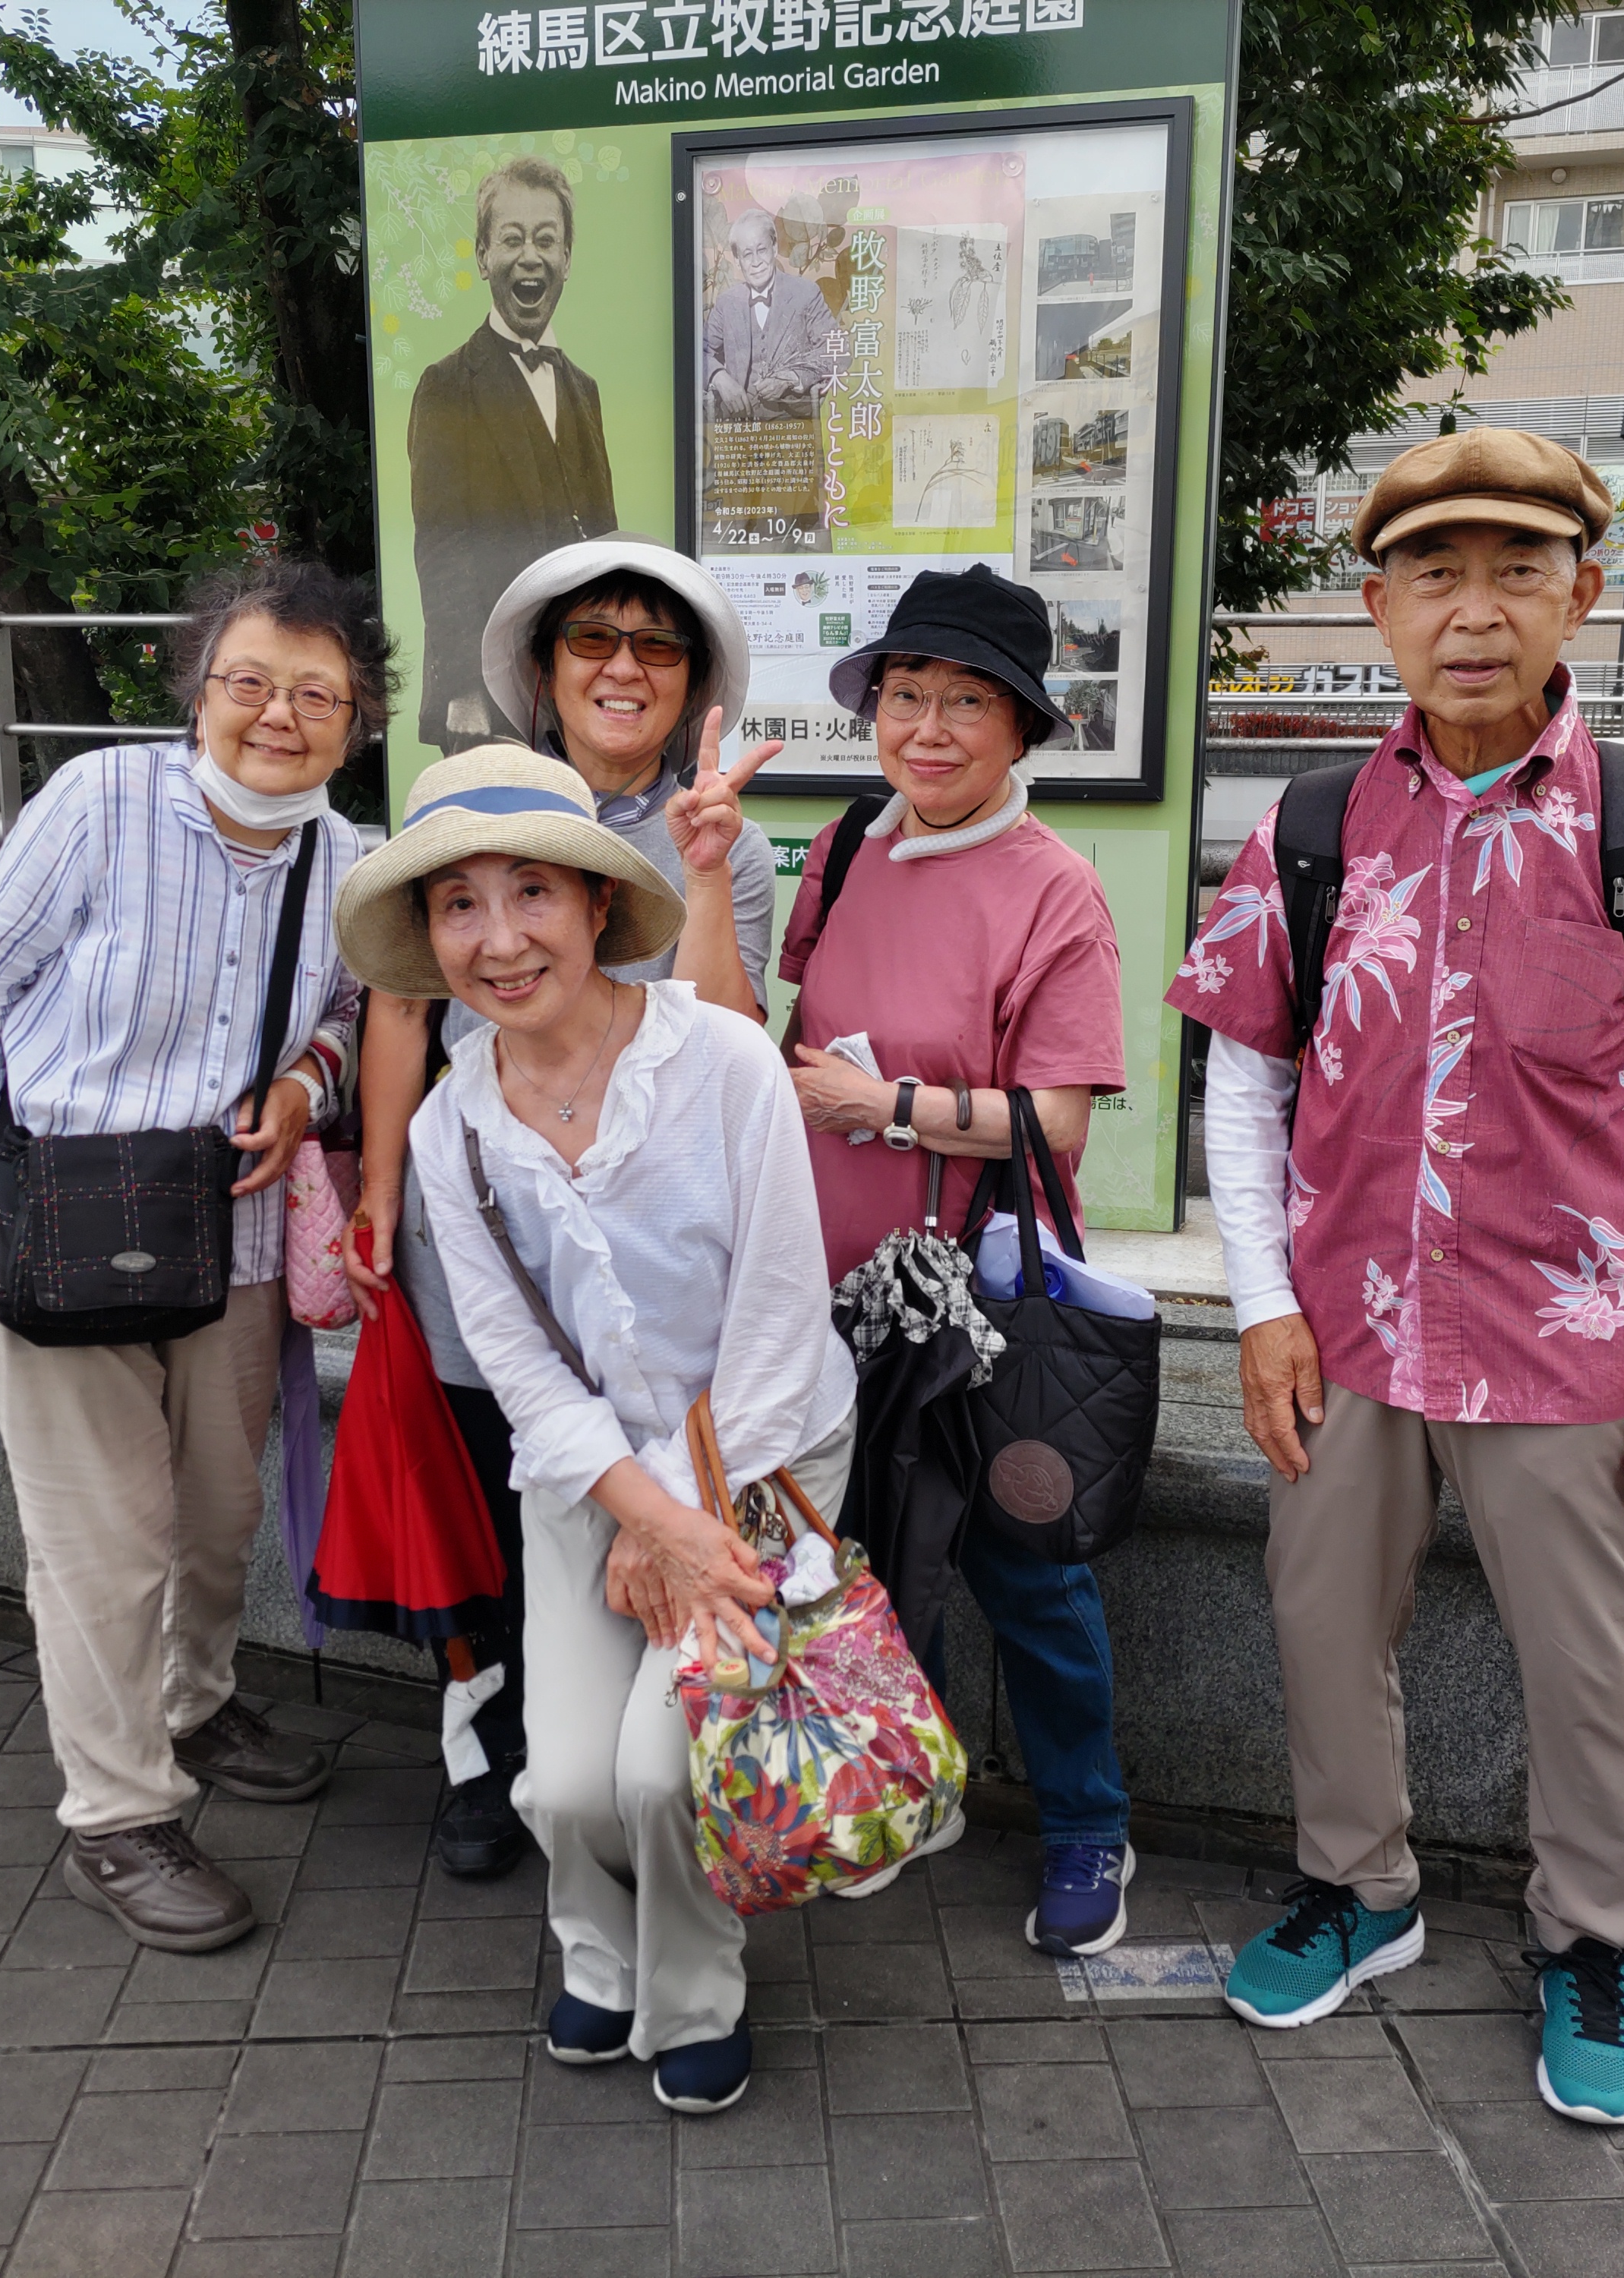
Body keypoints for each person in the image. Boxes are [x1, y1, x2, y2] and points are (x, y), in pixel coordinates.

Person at [1171, 429, 1624, 2124]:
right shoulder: (1312, 825)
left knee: (1590, 1661)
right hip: (1348, 1324)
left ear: (1578, 597)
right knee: (1319, 1618)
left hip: (1571, 1334)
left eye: (1515, 572)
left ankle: (1590, 1943)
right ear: (1374, 606)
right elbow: (1240, 1076)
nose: (1473, 612)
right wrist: (1258, 1304)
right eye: (1434, 576)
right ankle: (1356, 1889)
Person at [333, 744, 858, 2116]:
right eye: (458, 905)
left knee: (656, 1768)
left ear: (594, 905)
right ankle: (593, 1951)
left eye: (531, 895)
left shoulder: (725, 1061)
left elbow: (781, 1314)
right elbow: (514, 1361)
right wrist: (639, 1514)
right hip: (584, 1472)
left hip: (762, 1450)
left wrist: (694, 1525)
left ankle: (694, 1987)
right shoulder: (451, 1129)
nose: (498, 940)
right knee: (561, 1784)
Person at [0, 560, 385, 1954]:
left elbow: (352, 1015)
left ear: (359, 720)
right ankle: (116, 1816)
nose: (278, 716)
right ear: (200, 691)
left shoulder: (348, 862)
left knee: (218, 1515)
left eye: (316, 694)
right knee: (107, 1538)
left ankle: (195, 1706)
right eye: (250, 682)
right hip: (58, 1221)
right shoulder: (102, 802)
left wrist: (307, 1084)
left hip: (236, 1231)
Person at [348, 538, 781, 1880]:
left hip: (652, 1265)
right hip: (488, 1226)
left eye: (657, 646)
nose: (623, 667)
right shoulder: (462, 797)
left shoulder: (723, 834)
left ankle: (626, 1771)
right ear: (546, 667)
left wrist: (703, 869)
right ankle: (496, 1742)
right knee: (493, 1486)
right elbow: (402, 1005)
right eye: (594, 639)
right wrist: (376, 1187)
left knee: (623, 1497)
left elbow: (733, 1042)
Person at [777, 562, 1138, 1958]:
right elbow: (795, 1024)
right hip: (833, 1283)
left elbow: (1054, 1129)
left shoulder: (1057, 895)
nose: (925, 729)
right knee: (858, 1557)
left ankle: (1086, 1829)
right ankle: (898, 1793)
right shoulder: (849, 844)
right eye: (905, 696)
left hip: (978, 1301)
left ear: (1024, 731)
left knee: (1027, 1573)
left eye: (964, 704)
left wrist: (892, 1109)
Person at [410, 157, 618, 750]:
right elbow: (441, 549)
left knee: (577, 842)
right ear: (483, 257)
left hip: (576, 686)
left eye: (547, 240)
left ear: (568, 260)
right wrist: (464, 690)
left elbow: (603, 540)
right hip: (487, 697)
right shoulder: (447, 384)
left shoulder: (585, 389)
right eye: (512, 238)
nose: (531, 256)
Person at [704, 205, 844, 423]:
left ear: (775, 248)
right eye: (747, 254)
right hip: (738, 431)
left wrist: (791, 377)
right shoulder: (726, 303)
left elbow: (838, 351)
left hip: (793, 427)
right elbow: (699, 352)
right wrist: (719, 377)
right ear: (738, 260)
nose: (756, 262)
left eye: (762, 250)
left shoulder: (805, 293)